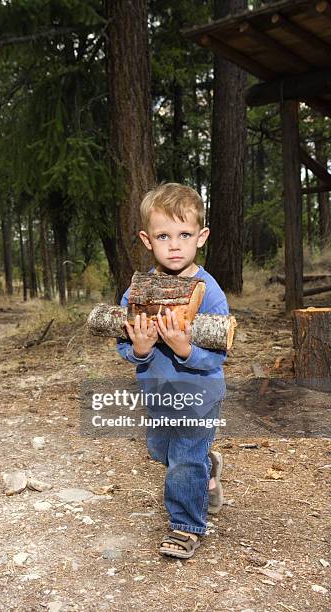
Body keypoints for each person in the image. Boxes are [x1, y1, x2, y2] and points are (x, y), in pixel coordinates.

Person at [116, 183, 228, 559]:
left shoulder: (208, 291)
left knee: (183, 460)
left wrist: (186, 349)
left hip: (199, 395)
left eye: (185, 235)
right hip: (159, 393)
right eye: (164, 236)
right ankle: (206, 471)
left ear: (202, 236)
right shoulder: (139, 291)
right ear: (148, 240)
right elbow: (124, 346)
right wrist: (141, 349)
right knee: (163, 452)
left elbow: (217, 355)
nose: (175, 245)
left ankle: (186, 526)